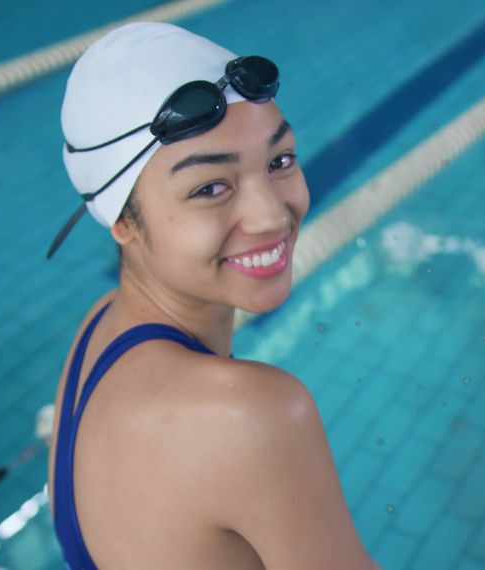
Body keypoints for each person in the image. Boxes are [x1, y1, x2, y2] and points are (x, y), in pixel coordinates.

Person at [44, 22, 379, 569]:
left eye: (280, 161)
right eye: (210, 188)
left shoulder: (99, 330)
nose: (273, 215)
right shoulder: (253, 415)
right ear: (123, 222)